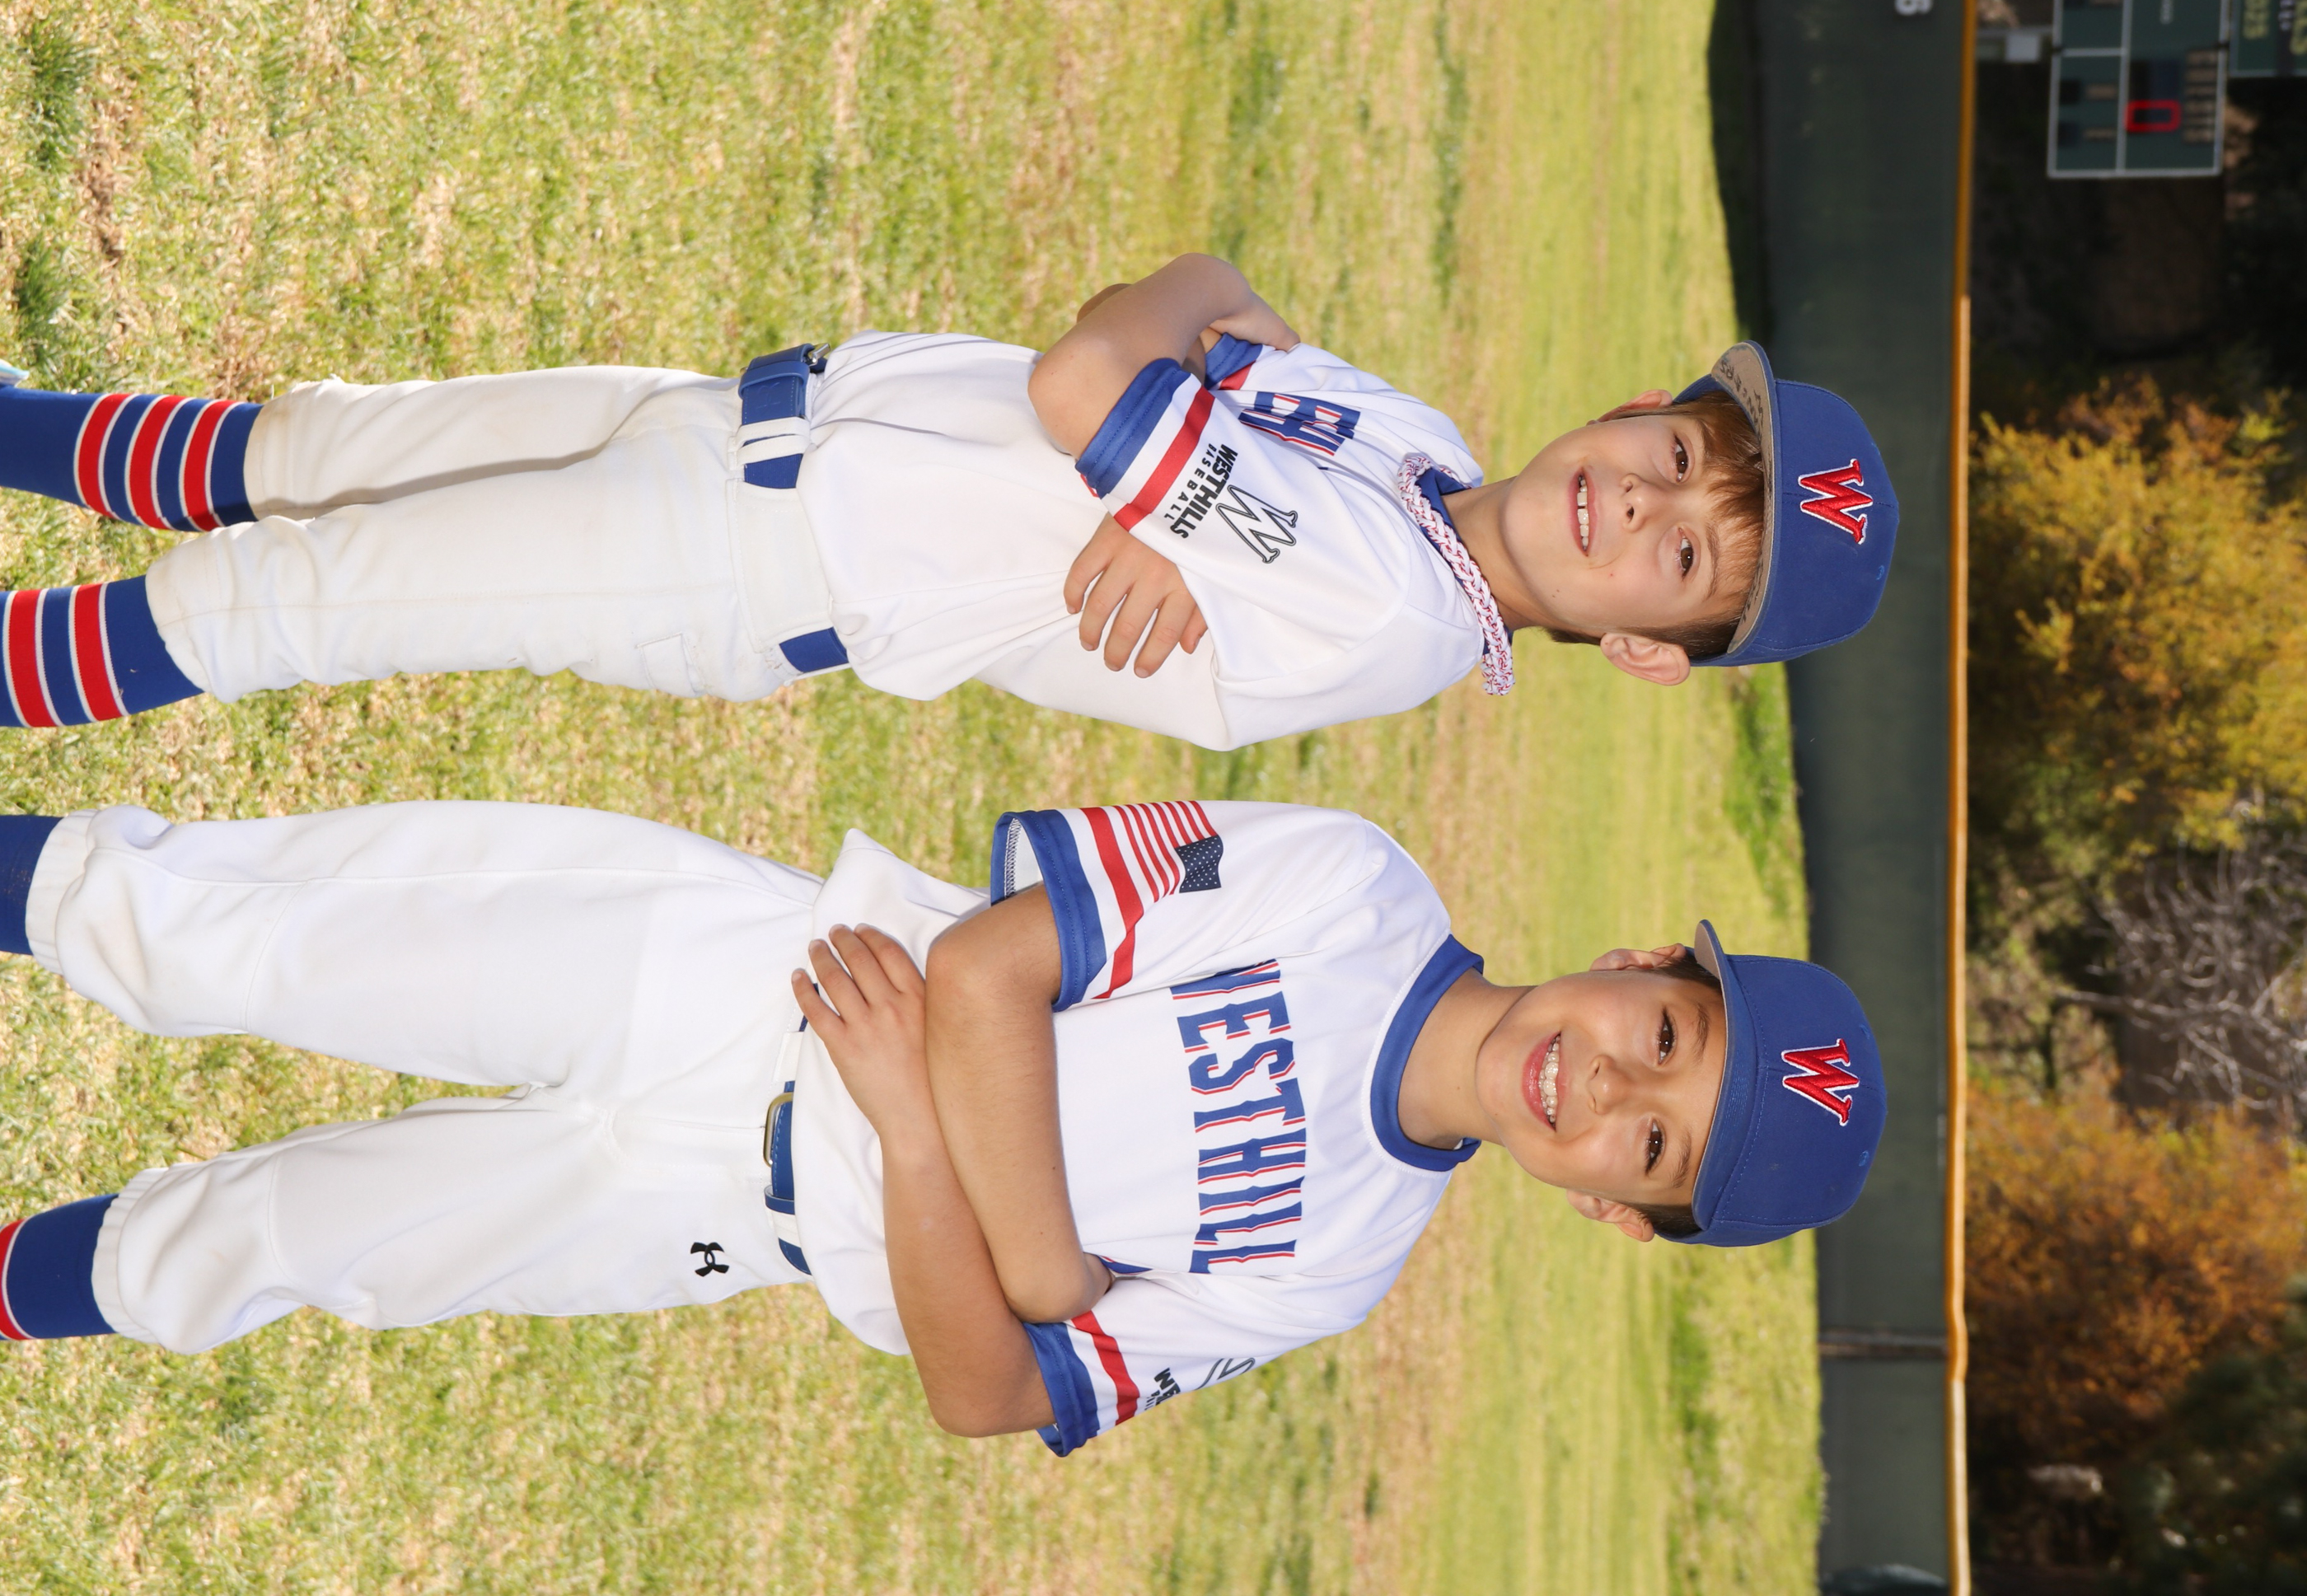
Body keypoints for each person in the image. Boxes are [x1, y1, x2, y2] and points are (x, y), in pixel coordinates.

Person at [0, 791, 1881, 1453]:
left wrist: (923, 1138)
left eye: (1652, 1145)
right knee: (217, 934)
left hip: (726, 1219)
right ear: (1637, 961)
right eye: (1661, 1035)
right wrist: (1033, 1258)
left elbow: (985, 1391)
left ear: (1613, 1212)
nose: (1607, 1086)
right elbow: (983, 968)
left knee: (267, 1249)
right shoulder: (1355, 890)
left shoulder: (1342, 1266)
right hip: (735, 974)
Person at [0, 255, 1897, 748]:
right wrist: (1179, 366)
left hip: (751, 558)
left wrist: (1169, 377)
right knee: (306, 450)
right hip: (754, 420)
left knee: (293, 597)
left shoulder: (1389, 609)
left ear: (1647, 652)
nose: (1637, 504)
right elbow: (1192, 289)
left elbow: (1093, 372)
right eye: (1676, 457)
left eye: (1683, 561)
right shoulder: (1413, 443)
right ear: (1636, 410)